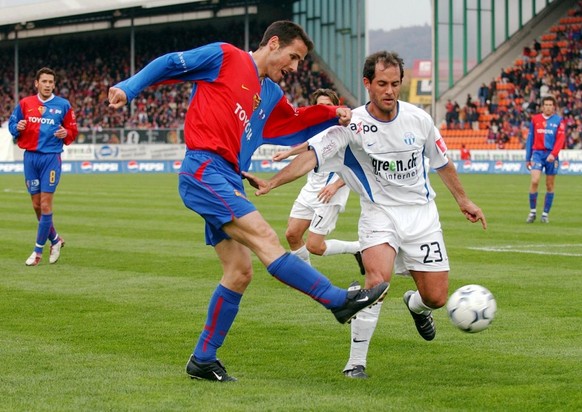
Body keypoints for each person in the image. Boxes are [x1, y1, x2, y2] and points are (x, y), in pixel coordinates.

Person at [107, 20, 388, 382]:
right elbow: (170, 64)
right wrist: (129, 88)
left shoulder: (269, 93)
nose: (295, 68)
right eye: (294, 57)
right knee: (267, 239)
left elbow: (293, 121)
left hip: (225, 176)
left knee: (239, 273)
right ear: (273, 43)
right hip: (203, 170)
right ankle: (337, 301)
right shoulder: (225, 57)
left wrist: (331, 113)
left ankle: (203, 359)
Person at [243, 50, 487, 379]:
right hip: (379, 215)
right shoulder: (350, 125)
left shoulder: (419, 119)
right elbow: (311, 157)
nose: (389, 91)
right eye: (382, 84)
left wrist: (464, 200)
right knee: (377, 283)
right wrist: (273, 182)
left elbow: (442, 163)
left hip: (422, 217)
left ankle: (415, 305)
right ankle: (355, 363)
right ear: (367, 83)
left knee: (437, 297)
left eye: (396, 84)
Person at [272, 88, 364, 273]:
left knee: (315, 246)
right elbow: (311, 144)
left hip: (330, 191)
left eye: (329, 105)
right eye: (320, 106)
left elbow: (358, 163)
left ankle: (357, 248)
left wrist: (335, 186)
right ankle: (307, 277)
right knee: (292, 234)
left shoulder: (347, 129)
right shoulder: (317, 127)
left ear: (337, 107)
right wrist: (288, 153)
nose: (325, 109)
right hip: (311, 187)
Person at [8, 67, 78, 266]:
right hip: (30, 158)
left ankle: (37, 251)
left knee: (46, 204)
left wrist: (66, 133)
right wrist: (17, 127)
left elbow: (73, 131)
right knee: (36, 205)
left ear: (54, 85)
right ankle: (55, 239)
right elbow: (12, 125)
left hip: (51, 159)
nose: (47, 85)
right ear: (36, 83)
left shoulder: (63, 105)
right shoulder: (25, 104)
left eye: (51, 82)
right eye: (44, 81)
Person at [525, 95, 566, 223]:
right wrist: (528, 158)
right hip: (537, 154)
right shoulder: (535, 120)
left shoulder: (559, 121)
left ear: (554, 107)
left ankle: (545, 214)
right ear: (542, 107)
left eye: (550, 105)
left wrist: (553, 154)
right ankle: (532, 212)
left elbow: (560, 140)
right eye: (546, 105)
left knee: (549, 184)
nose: (548, 107)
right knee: (535, 180)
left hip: (551, 156)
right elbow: (530, 139)